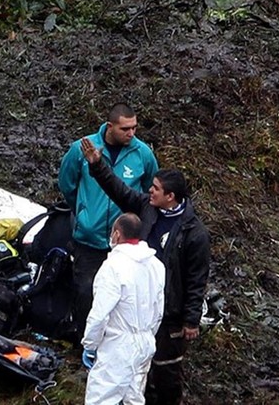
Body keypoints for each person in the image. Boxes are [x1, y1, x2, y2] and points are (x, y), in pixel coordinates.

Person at [80, 137, 210, 405]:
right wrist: (97, 165)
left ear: (170, 197)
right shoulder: (148, 209)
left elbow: (197, 278)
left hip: (169, 312)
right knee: (138, 379)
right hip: (138, 304)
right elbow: (120, 191)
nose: (150, 191)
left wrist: (191, 319)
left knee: (165, 371)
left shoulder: (194, 233)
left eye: (155, 188)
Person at [59, 103, 159, 340]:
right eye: (126, 129)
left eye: (134, 128)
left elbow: (148, 195)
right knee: (85, 291)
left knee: (122, 295)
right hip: (89, 238)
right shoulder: (82, 149)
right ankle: (85, 341)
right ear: (110, 126)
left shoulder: (143, 154)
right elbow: (67, 184)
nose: (131, 133)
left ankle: (113, 339)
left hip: (125, 243)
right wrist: (84, 212)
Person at [81, 213, 165, 405]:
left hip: (118, 345)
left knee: (101, 399)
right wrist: (148, 335)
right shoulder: (156, 265)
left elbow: (100, 314)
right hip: (145, 342)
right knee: (133, 399)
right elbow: (158, 309)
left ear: (117, 234)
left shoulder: (113, 267)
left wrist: (90, 345)